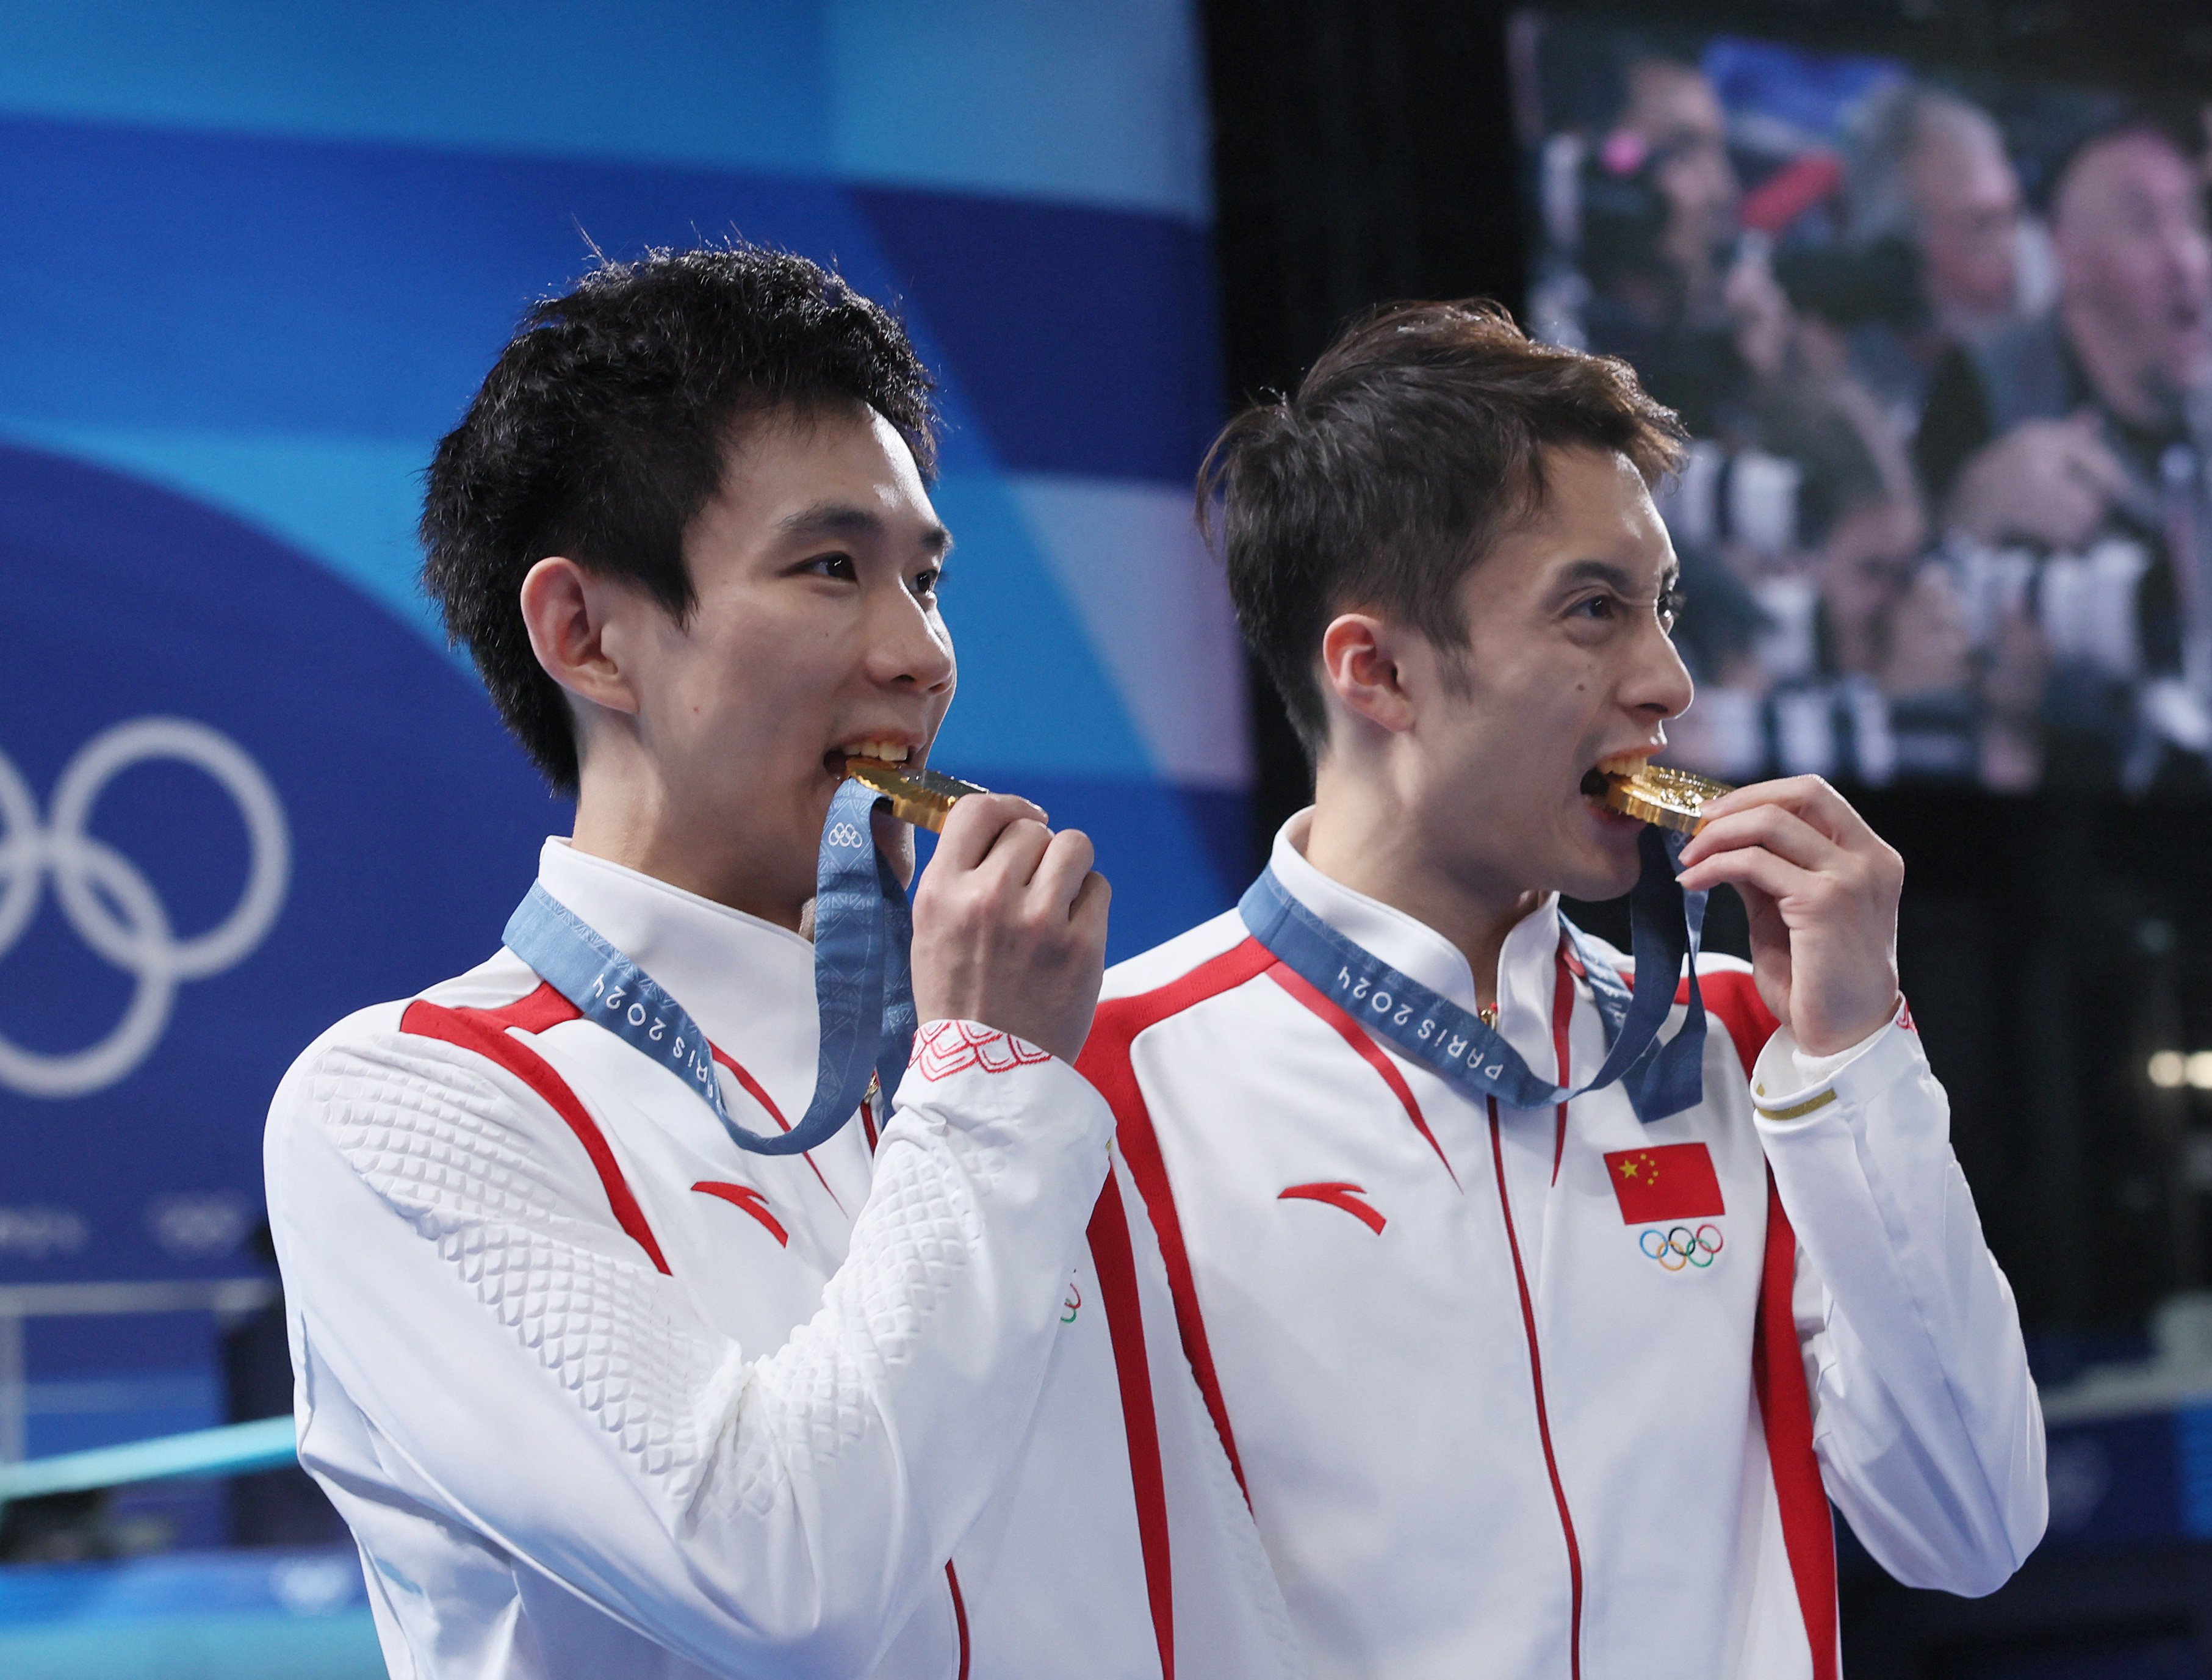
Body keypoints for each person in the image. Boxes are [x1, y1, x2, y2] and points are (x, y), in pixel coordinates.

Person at [262, 245, 1300, 1679]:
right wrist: (990, 1078)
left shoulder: (991, 1071)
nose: (918, 653)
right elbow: (775, 1573)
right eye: (829, 569)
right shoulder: (412, 1105)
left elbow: (1194, 1574)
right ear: (585, 634)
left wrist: (985, 1073)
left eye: (924, 579)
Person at [1080, 302, 2045, 1679]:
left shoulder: (1750, 1042)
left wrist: (1857, 1058)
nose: (1667, 679)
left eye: (1662, 607)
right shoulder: (1105, 1080)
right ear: (1379, 670)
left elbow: (1972, 1526)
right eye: (1593, 609)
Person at [1915, 122, 2212, 785]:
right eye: (2144, 227)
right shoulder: (1981, 389)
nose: (2188, 259)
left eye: (2194, 222)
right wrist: (1963, 526)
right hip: (2039, 801)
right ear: (2068, 255)